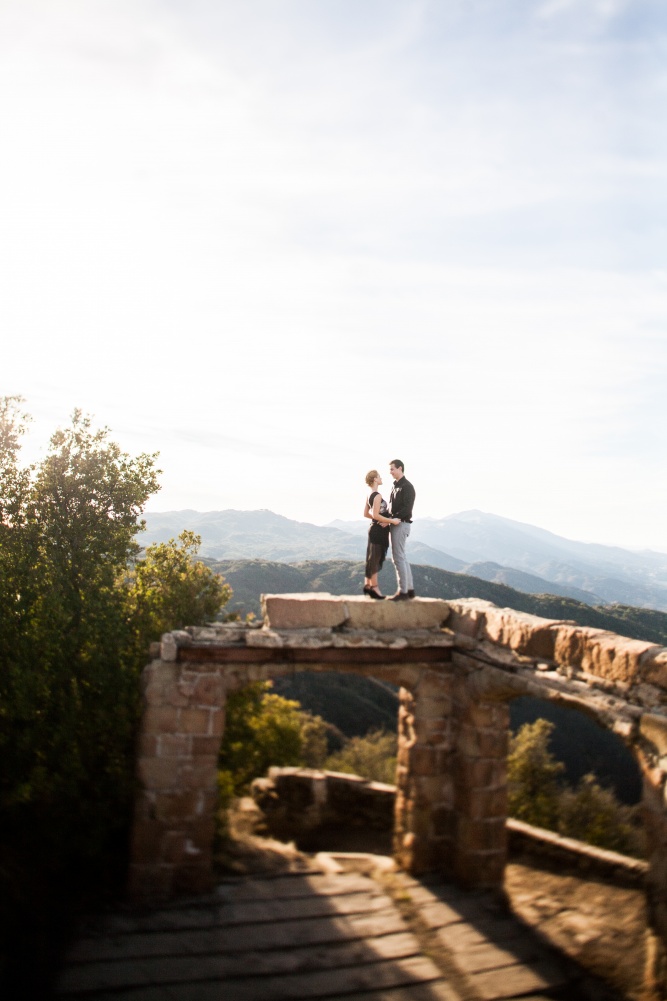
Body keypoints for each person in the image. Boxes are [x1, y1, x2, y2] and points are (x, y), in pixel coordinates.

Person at [363, 469, 400, 599]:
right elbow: (375, 514)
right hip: (379, 532)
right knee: (375, 559)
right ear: (375, 479)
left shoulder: (369, 495)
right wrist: (391, 521)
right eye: (379, 477)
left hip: (373, 529)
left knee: (371, 558)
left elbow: (366, 514)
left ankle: (367, 586)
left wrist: (378, 520)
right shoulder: (377, 495)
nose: (381, 478)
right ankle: (374, 588)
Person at [387, 459, 416, 600]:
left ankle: (403, 592)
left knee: (398, 557)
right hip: (396, 523)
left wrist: (393, 519)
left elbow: (407, 508)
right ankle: (409, 590)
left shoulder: (407, 486)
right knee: (402, 557)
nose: (390, 472)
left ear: (400, 468)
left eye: (392, 469)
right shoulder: (395, 486)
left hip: (401, 524)